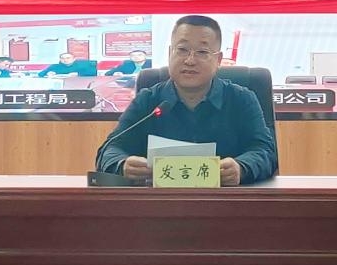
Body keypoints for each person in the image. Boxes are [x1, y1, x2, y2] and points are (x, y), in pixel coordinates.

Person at [95, 14, 277, 186]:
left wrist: (242, 167)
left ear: (218, 60)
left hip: (225, 203)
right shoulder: (148, 101)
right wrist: (122, 165)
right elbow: (109, 151)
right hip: (161, 204)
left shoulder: (241, 99)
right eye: (182, 50)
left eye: (202, 52)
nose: (190, 61)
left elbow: (265, 151)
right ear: (170, 53)